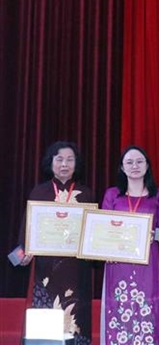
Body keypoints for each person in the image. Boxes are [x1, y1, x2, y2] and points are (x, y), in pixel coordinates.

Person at [18, 141, 95, 344]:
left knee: (75, 320)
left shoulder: (86, 194)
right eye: (59, 159)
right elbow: (26, 230)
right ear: (50, 162)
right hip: (45, 270)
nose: (64, 164)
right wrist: (22, 255)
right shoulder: (39, 192)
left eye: (70, 160)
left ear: (76, 164)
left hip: (76, 270)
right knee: (45, 326)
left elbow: (93, 234)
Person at [101, 146, 159, 345]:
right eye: (129, 162)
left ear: (147, 165)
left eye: (139, 161)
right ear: (122, 167)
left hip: (147, 261)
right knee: (118, 306)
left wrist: (155, 234)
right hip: (118, 262)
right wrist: (106, 250)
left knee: (147, 305)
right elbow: (103, 229)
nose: (134, 166)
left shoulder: (158, 195)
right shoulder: (112, 195)